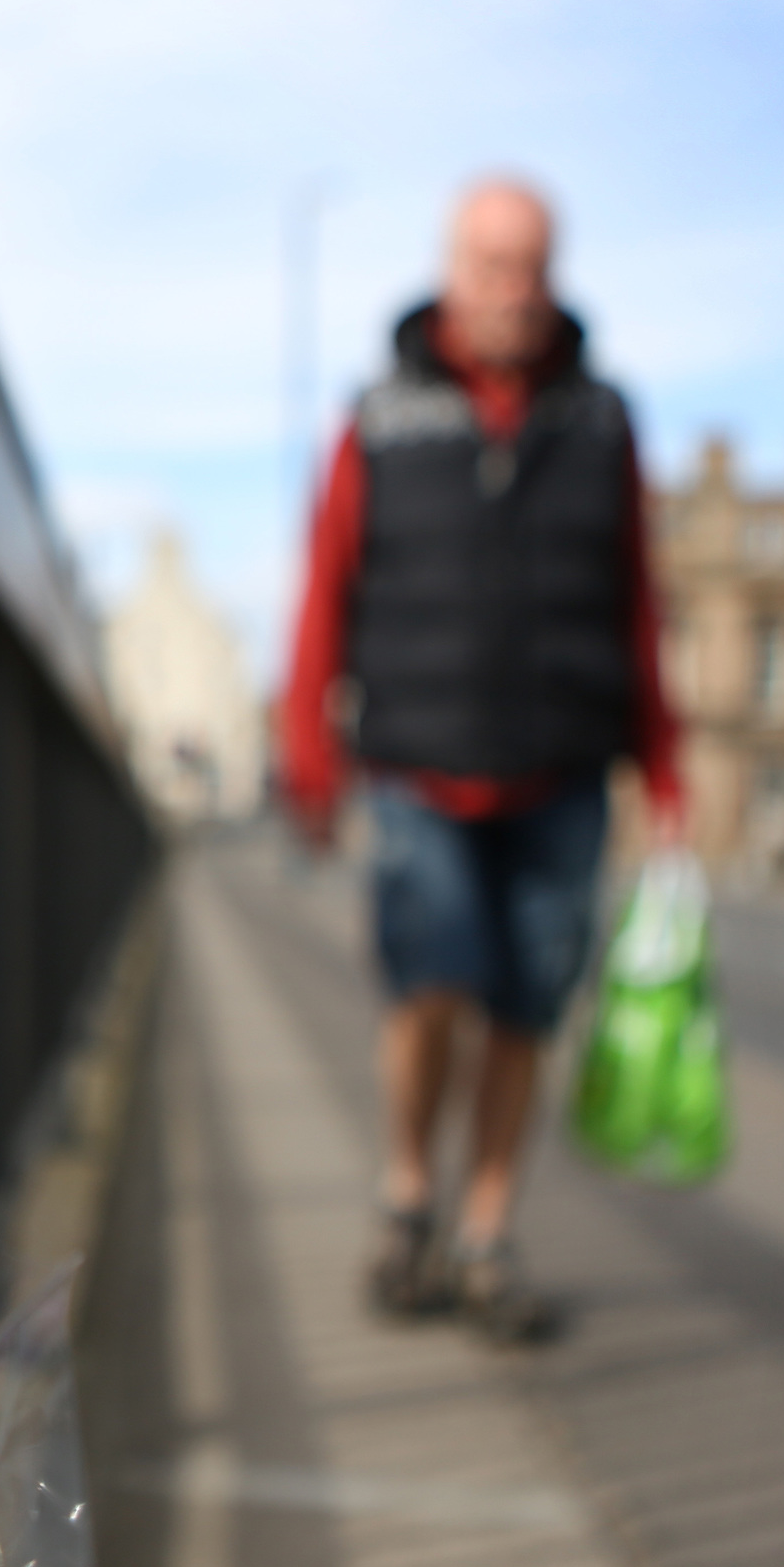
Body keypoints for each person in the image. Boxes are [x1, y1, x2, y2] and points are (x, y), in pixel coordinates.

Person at [281, 177, 683, 1344]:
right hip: (419, 759)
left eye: (530, 267)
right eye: (489, 265)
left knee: (527, 1006)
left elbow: (638, 602)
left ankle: (486, 1231)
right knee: (432, 982)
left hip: (562, 761)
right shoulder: (382, 414)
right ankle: (409, 1191)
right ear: (451, 270)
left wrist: (664, 771)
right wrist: (309, 756)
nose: (511, 289)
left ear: (553, 276)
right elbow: (324, 595)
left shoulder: (603, 418)